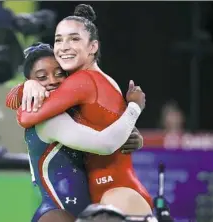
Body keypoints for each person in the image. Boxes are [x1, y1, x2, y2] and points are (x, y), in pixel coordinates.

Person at [8, 4, 153, 216]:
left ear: (93, 46)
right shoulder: (91, 84)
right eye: (59, 39)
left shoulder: (82, 82)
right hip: (108, 197)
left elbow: (25, 116)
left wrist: (134, 109)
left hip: (116, 196)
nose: (65, 46)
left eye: (74, 39)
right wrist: (25, 87)